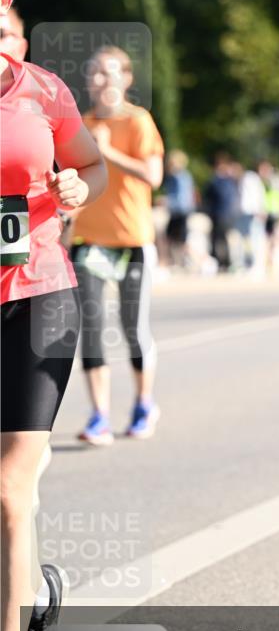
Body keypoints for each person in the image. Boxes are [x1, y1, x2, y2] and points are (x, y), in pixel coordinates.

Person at [0, 0, 107, 631]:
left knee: (11, 492)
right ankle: (33, 592)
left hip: (38, 298)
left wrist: (78, 187)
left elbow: (92, 165)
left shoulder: (40, 90)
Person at [70, 45, 164, 446]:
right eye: (94, 73)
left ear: (126, 79)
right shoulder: (80, 124)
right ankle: (99, 416)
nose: (101, 81)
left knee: (131, 329)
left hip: (131, 240)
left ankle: (144, 403)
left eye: (109, 73)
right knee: (91, 331)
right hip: (89, 240)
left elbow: (153, 176)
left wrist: (106, 152)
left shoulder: (138, 121)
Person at [203, 153, 240, 272]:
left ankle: (220, 262)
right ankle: (225, 262)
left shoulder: (216, 181)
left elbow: (208, 197)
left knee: (217, 239)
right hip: (228, 214)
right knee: (223, 239)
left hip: (219, 214)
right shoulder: (231, 181)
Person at [163, 149, 196, 267]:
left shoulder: (178, 177)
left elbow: (180, 197)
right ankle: (180, 261)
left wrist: (167, 202)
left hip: (179, 211)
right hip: (183, 211)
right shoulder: (186, 176)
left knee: (176, 239)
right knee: (179, 238)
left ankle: (187, 261)